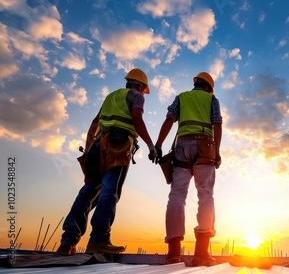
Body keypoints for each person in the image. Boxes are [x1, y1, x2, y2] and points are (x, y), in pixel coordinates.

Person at [56, 68, 157, 255]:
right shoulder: (137, 96)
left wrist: (88, 151)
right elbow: (136, 118)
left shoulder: (111, 96)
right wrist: (151, 145)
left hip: (97, 145)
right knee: (109, 192)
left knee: (88, 192)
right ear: (141, 86)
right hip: (118, 145)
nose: (144, 92)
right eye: (144, 89)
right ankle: (99, 240)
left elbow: (94, 124)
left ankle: (68, 241)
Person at [154, 72, 222, 266]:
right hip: (205, 147)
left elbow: (169, 119)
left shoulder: (182, 97)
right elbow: (217, 123)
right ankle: (201, 253)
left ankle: (173, 253)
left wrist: (158, 144)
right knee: (205, 195)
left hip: (182, 148)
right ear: (209, 87)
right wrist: (217, 151)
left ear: (196, 84)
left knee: (176, 196)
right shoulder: (212, 99)